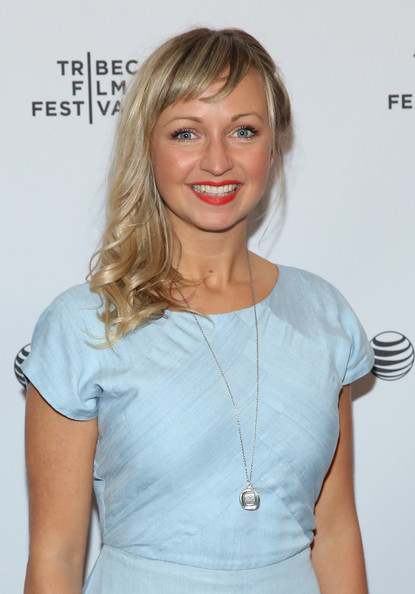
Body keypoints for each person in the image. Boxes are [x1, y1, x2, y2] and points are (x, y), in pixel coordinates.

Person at [23, 27, 374, 593]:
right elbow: (55, 559)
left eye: (243, 130)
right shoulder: (82, 324)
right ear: (147, 145)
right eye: (186, 132)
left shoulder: (323, 316)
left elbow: (334, 532)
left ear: (273, 144)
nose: (217, 161)